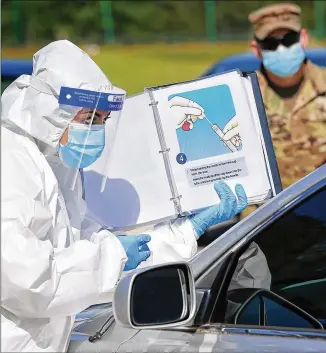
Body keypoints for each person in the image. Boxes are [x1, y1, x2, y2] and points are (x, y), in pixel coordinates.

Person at [1, 40, 248, 352]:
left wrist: (185, 232)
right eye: (89, 118)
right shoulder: (9, 162)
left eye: (103, 120)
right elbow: (29, 282)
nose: (96, 130)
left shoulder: (53, 164)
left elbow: (81, 243)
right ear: (51, 110)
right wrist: (115, 257)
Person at [248, 3, 326, 190]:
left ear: (304, 38)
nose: (281, 48)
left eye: (289, 39)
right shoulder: (244, 98)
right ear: (256, 49)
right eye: (271, 43)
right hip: (268, 216)